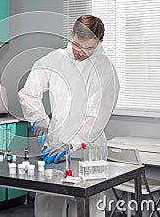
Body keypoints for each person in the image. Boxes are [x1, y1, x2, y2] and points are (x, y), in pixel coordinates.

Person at [18, 14, 120, 217]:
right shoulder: (55, 59)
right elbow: (28, 92)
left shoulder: (104, 69)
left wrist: (73, 142)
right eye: (77, 45)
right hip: (55, 143)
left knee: (86, 205)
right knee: (49, 201)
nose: (81, 52)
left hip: (87, 148)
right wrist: (38, 119)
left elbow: (96, 115)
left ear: (100, 42)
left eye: (88, 48)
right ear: (71, 35)